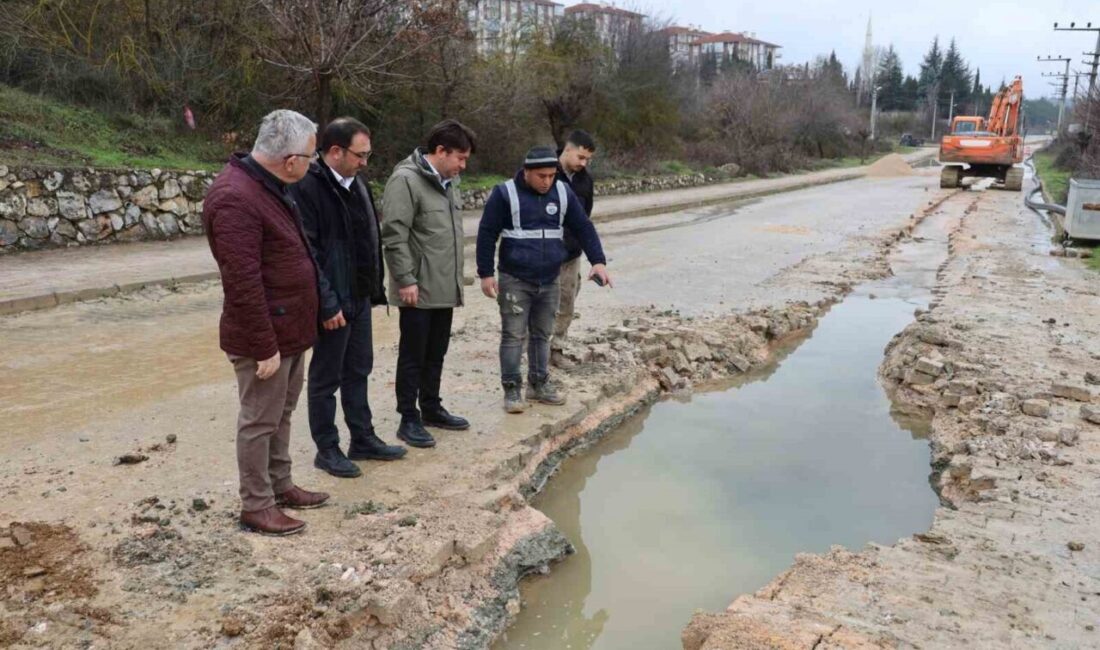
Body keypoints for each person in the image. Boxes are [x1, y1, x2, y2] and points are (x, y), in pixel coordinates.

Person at [202, 109, 329, 536]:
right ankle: (256, 505)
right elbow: (242, 280)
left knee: (282, 412)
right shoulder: (235, 197)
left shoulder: (268, 185)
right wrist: (264, 345)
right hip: (266, 335)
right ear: (291, 160)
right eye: (312, 157)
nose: (313, 164)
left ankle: (281, 484)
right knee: (259, 420)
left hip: (289, 330)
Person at [288, 117, 406, 480]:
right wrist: (327, 303)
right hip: (332, 303)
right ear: (334, 151)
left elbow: (368, 239)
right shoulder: (308, 186)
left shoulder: (358, 184)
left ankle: (363, 437)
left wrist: (373, 290)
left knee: (359, 369)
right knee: (325, 378)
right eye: (360, 155)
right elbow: (308, 253)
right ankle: (327, 448)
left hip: (359, 297)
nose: (365, 162)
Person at [476, 146, 612, 413]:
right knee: (513, 335)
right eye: (541, 176)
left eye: (551, 175)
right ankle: (512, 389)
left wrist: (598, 261)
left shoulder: (562, 192)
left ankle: (538, 384)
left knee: (542, 335)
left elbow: (583, 226)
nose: (547, 181)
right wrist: (485, 273)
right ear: (526, 172)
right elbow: (486, 233)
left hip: (550, 279)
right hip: (515, 278)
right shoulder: (505, 194)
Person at [381, 119, 477, 448]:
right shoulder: (405, 180)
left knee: (436, 351)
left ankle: (431, 407)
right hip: (417, 288)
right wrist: (405, 279)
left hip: (444, 286)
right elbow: (394, 235)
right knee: (413, 354)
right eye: (460, 158)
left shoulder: (451, 182)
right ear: (440, 151)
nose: (463, 165)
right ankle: (408, 417)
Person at [550, 130, 598, 370]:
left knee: (567, 302)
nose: (583, 163)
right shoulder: (544, 172)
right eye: (580, 157)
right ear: (567, 149)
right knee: (536, 302)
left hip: (571, 254)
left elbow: (584, 220)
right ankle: (529, 349)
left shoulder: (585, 181)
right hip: (543, 253)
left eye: (588, 159)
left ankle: (556, 350)